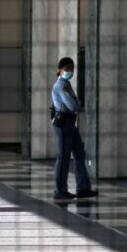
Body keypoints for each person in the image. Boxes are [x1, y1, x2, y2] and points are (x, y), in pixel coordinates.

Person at [51, 57, 97, 200]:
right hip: (63, 123)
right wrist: (77, 105)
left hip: (70, 123)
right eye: (67, 69)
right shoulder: (60, 86)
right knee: (63, 157)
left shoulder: (67, 84)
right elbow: (73, 106)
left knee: (79, 154)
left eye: (72, 69)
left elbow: (75, 103)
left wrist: (76, 104)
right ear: (59, 70)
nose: (70, 71)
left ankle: (83, 188)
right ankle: (60, 190)